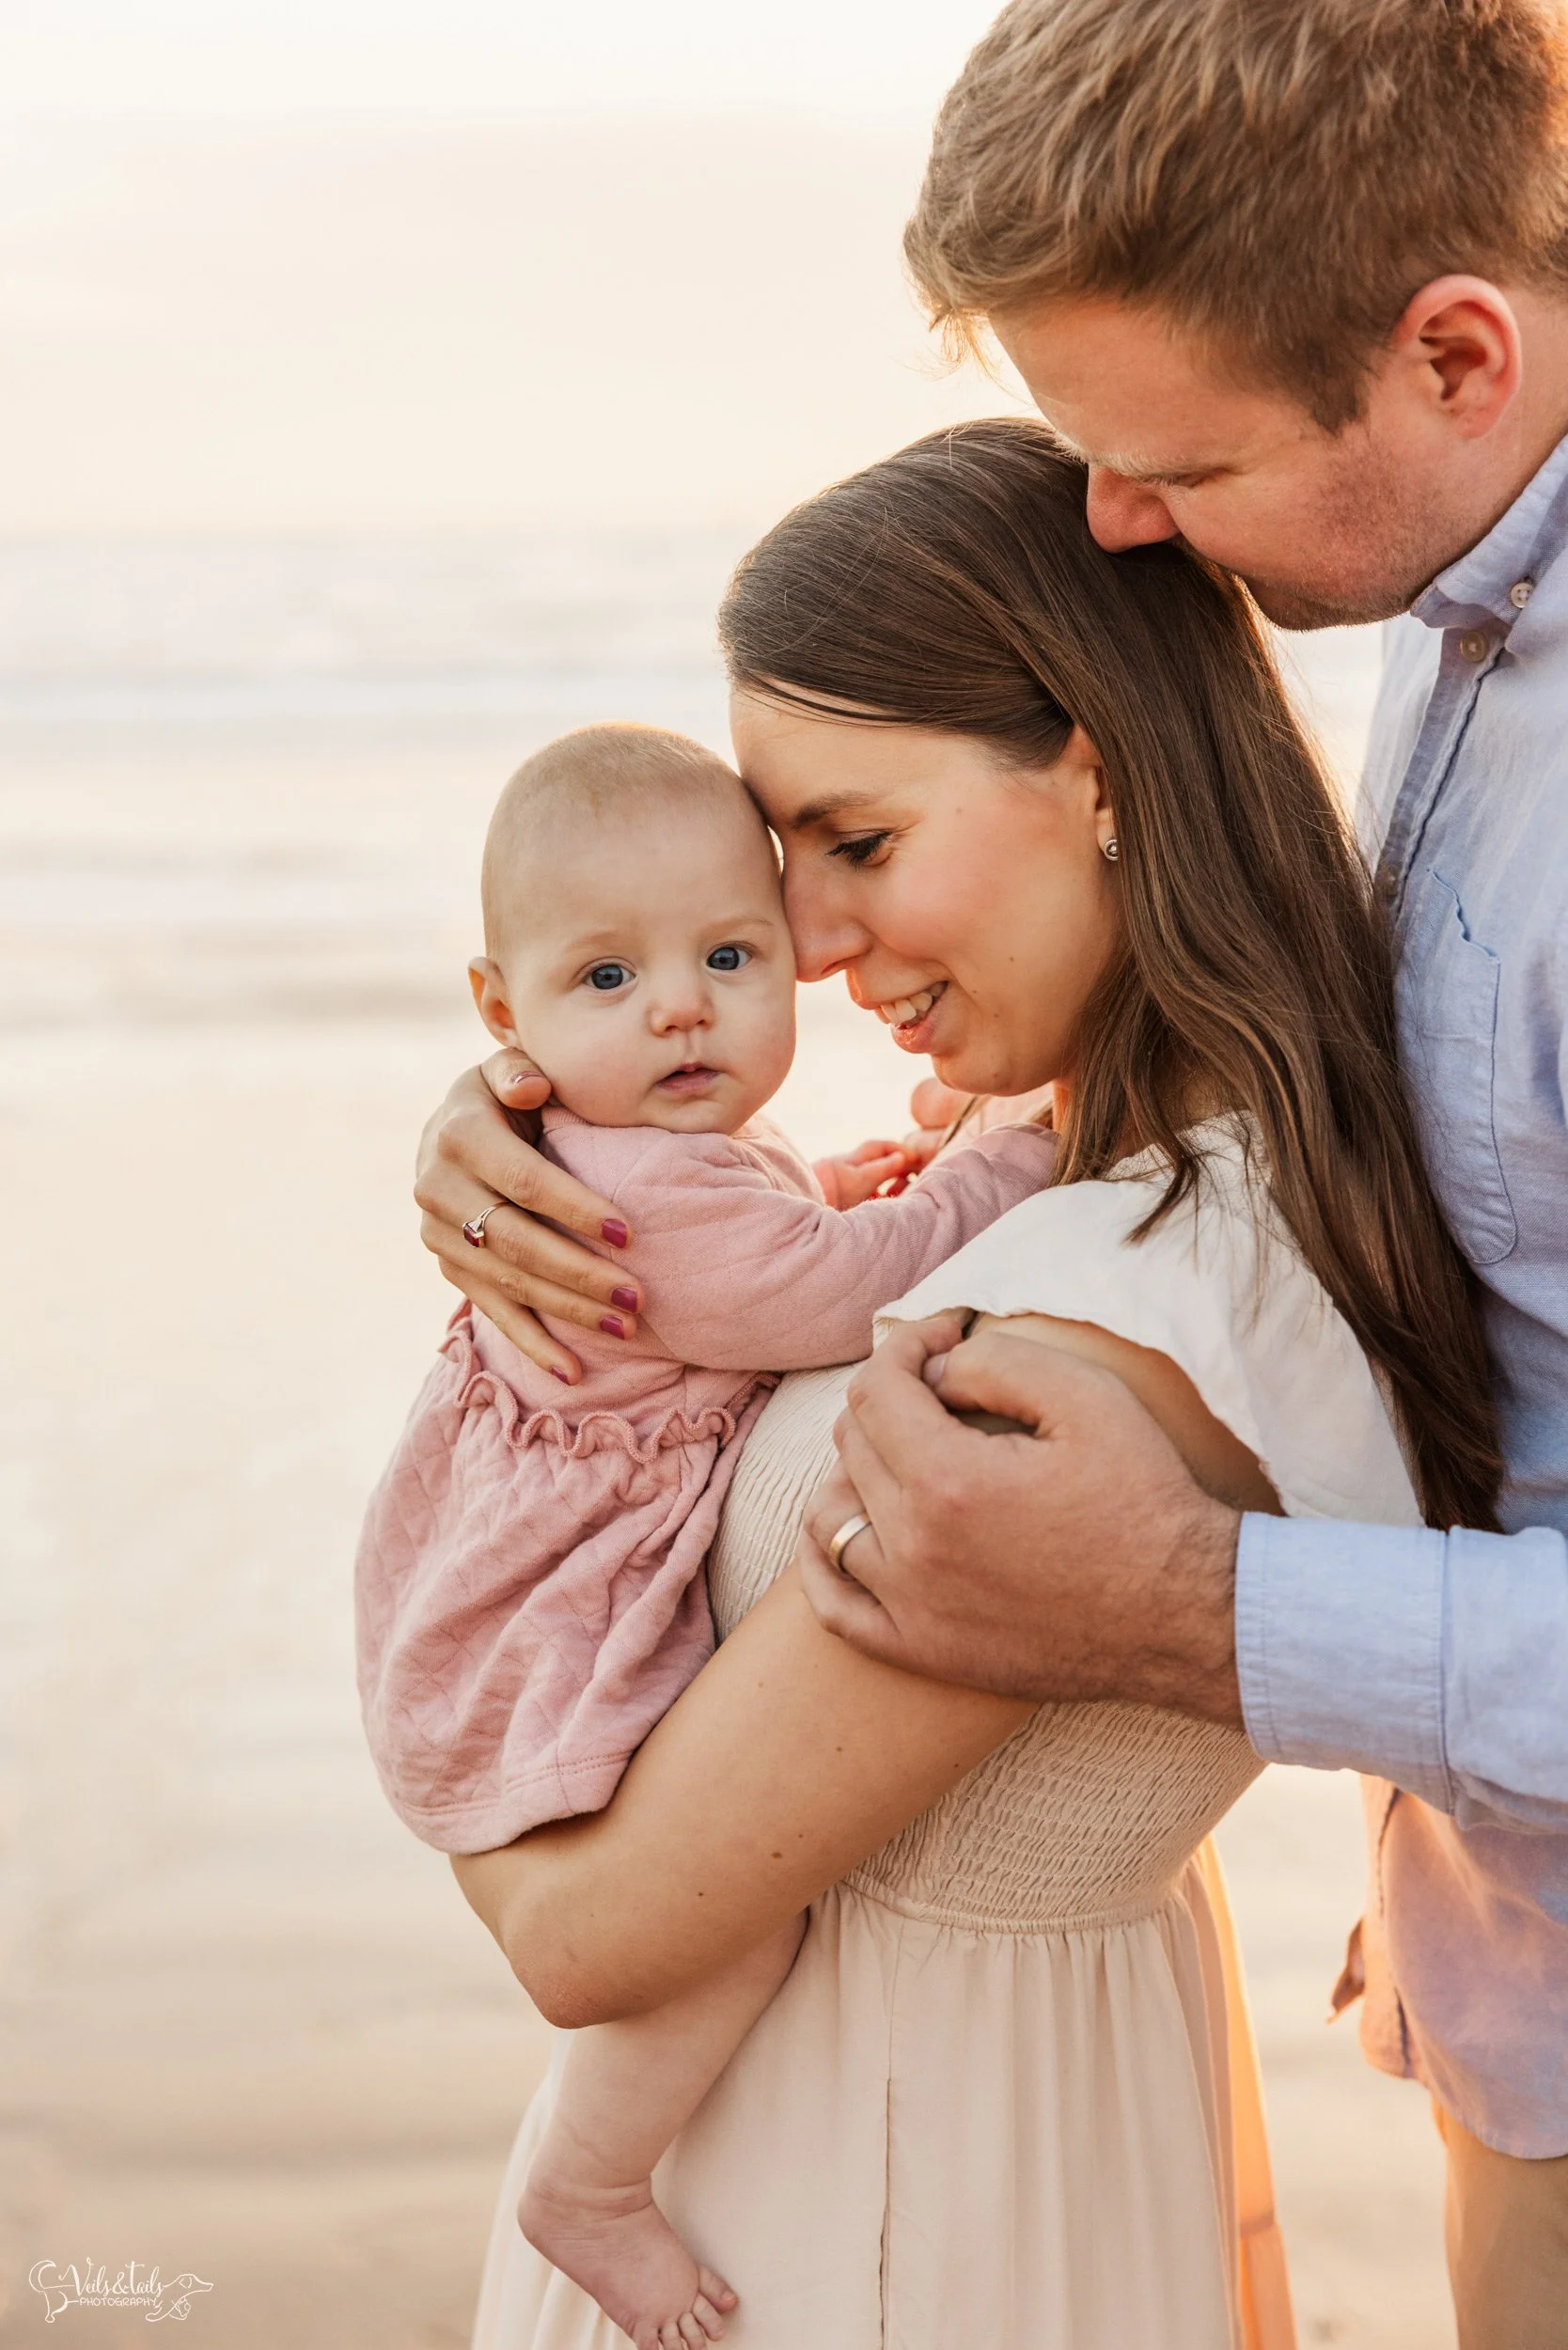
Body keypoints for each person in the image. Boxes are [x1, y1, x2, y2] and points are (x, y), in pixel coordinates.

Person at [417, 7, 1568, 2338]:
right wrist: (548, 1126)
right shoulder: (1449, 645)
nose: (1122, 519)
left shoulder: (1084, 1319)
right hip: (1405, 2006)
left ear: (1101, 768)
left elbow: (581, 1928)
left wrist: (1205, 1603)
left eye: (852, 846)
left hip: (883, 2209)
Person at [355, 721, 1054, 2350]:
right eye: (608, 979)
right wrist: (997, 1164)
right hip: (546, 1618)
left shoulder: (636, 1145)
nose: (681, 1006)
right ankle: (589, 2179)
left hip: (494, 1574)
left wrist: (842, 1185)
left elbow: (777, 1231)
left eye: (731, 956)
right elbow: (827, 1289)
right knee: (738, 1922)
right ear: (499, 1014)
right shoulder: (642, 1195)